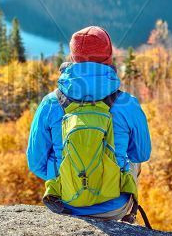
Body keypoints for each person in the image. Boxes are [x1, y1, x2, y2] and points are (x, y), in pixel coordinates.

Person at [27, 26, 151, 222]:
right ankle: (127, 213)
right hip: (115, 207)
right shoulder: (127, 103)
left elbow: (35, 163)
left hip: (66, 204)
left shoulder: (50, 103)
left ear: (73, 57)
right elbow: (142, 154)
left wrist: (68, 175)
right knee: (133, 160)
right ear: (109, 57)